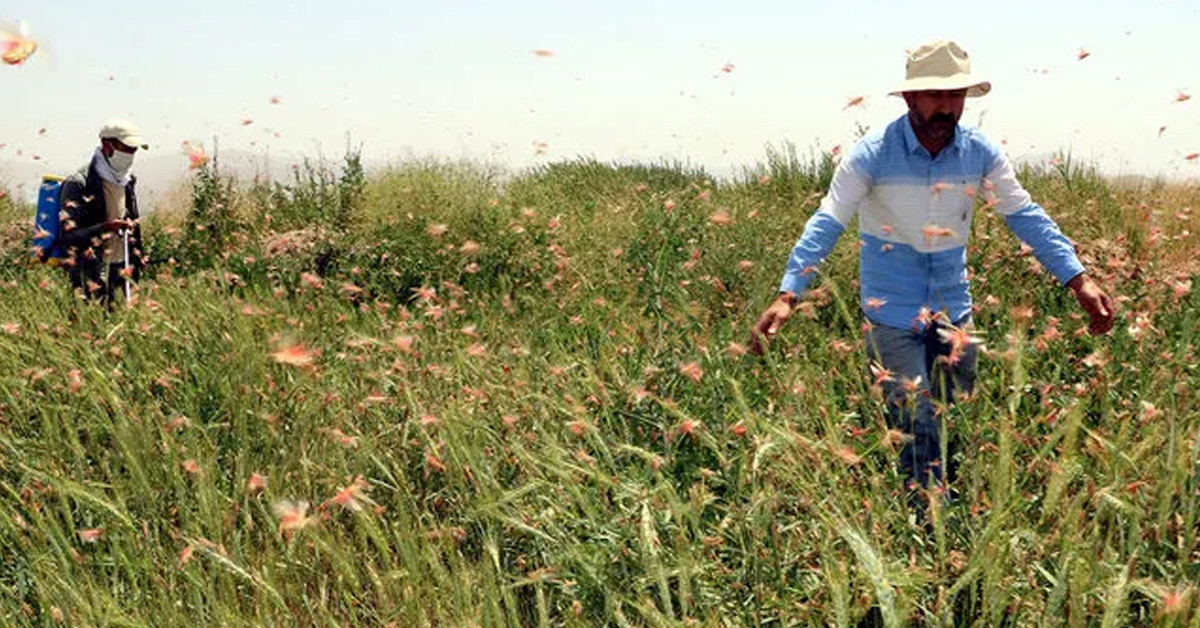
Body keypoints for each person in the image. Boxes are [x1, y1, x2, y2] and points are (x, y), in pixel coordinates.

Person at [750, 40, 1115, 499]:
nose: (947, 107)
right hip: (891, 315)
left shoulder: (979, 153)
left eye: (955, 95)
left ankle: (949, 512)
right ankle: (926, 521)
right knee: (915, 422)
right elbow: (828, 221)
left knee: (956, 416)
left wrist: (1078, 279)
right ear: (909, 97)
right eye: (935, 95)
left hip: (952, 311)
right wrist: (789, 294)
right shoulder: (872, 154)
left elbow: (1025, 215)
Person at [59, 119, 148, 305]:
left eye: (134, 150)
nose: (131, 154)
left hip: (122, 270)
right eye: (127, 148)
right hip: (90, 274)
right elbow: (69, 237)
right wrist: (106, 228)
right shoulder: (78, 183)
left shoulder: (127, 180)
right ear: (107, 146)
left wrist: (138, 255)